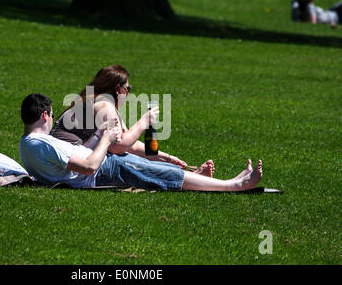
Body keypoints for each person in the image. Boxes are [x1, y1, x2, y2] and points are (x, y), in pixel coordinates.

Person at [19, 93, 263, 192]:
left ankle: (203, 180)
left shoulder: (28, 144)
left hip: (104, 164)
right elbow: (90, 166)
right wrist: (106, 138)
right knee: (159, 175)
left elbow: (79, 155)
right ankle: (235, 185)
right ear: (45, 115)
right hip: (103, 171)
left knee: (157, 170)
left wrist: (96, 137)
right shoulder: (42, 144)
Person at [50, 64, 215, 177]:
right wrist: (144, 122)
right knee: (125, 161)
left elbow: (131, 144)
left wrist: (167, 158)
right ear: (118, 89)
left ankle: (185, 173)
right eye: (128, 88)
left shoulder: (100, 101)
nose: (129, 93)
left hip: (67, 163)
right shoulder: (103, 104)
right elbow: (118, 146)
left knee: (128, 158)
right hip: (69, 167)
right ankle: (190, 177)